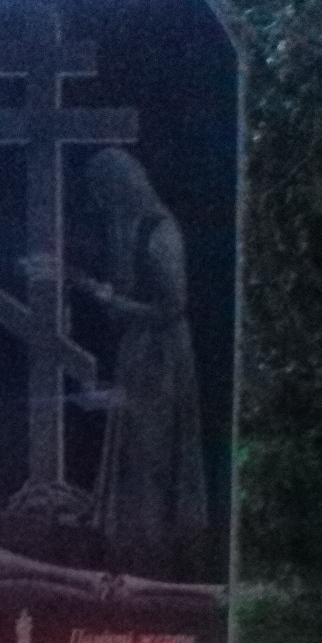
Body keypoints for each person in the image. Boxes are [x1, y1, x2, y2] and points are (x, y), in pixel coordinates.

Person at [72, 148, 209, 581]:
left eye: (105, 191)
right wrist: (100, 294)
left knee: (155, 446)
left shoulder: (160, 229)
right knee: (133, 446)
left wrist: (116, 302)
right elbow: (128, 297)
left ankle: (157, 545)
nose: (102, 202)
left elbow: (173, 305)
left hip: (163, 353)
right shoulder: (127, 227)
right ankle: (132, 541)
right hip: (137, 350)